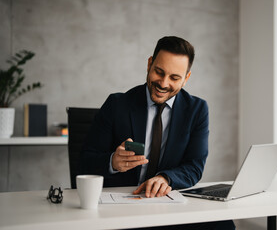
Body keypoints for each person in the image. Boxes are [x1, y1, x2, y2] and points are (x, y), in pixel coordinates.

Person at [80, 36, 235, 230]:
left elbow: (194, 166)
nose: (163, 83)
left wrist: (166, 178)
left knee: (223, 225)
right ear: (149, 64)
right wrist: (112, 162)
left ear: (186, 79)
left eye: (174, 77)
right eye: (159, 72)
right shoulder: (116, 104)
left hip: (167, 205)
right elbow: (85, 161)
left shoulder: (197, 110)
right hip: (121, 207)